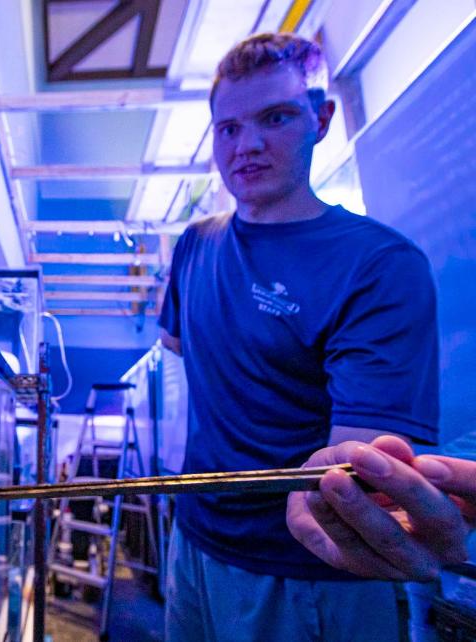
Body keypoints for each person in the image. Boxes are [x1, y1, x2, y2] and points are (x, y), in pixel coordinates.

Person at [158, 32, 474, 641]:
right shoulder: (195, 246)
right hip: (193, 541)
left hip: (307, 570)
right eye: (228, 128)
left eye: (275, 118)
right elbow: (177, 346)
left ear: (320, 119)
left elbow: (353, 483)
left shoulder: (378, 264)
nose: (247, 145)